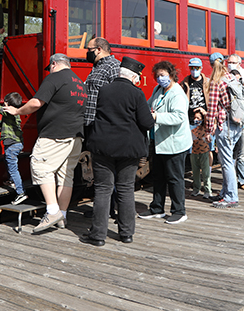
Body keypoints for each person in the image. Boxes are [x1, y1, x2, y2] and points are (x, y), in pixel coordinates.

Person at [3, 53, 87, 233]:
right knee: (66, 176)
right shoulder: (80, 83)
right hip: (76, 136)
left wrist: (17, 111)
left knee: (39, 166)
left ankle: (52, 211)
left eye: (50, 67)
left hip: (55, 134)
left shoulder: (55, 78)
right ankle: (62, 216)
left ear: (54, 64)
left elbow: (35, 103)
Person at [81, 57, 153, 246]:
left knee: (103, 189)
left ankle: (98, 236)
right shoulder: (137, 93)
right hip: (129, 150)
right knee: (126, 188)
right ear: (135, 76)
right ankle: (126, 234)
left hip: (103, 147)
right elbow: (147, 123)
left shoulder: (104, 90)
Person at [139, 61, 192, 224]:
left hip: (174, 144)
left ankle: (179, 211)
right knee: (159, 176)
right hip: (159, 142)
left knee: (175, 178)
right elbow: (149, 106)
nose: (160, 78)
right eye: (158, 76)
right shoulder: (157, 90)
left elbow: (179, 117)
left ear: (171, 75)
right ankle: (157, 208)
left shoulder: (177, 93)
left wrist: (156, 117)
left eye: (163, 75)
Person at [204, 53, 244, 209]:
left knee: (226, 162)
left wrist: (208, 130)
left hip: (225, 126)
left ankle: (231, 197)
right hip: (237, 124)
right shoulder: (231, 78)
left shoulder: (216, 82)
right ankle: (225, 191)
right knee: (229, 160)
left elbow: (212, 109)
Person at [0, 86, 27, 205]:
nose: (4, 104)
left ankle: (21, 192)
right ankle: (11, 181)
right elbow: (1, 123)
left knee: (13, 168)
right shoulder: (11, 115)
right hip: (16, 144)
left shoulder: (10, 112)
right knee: (9, 162)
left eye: (6, 103)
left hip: (13, 144)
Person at [83, 37, 121, 128]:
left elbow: (117, 97)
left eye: (89, 49)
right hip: (89, 123)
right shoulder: (97, 67)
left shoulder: (114, 66)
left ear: (99, 49)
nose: (88, 52)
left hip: (100, 125)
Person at [188, 108, 212, 198]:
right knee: (195, 172)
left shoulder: (205, 127)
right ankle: (196, 188)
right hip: (194, 152)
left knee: (206, 173)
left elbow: (208, 120)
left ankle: (207, 190)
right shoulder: (192, 129)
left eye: (198, 118)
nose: (196, 120)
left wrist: (204, 113)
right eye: (195, 118)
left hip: (204, 152)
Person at [181, 57, 209, 123]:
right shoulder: (184, 83)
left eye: (197, 68)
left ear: (201, 68)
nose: (194, 70)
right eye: (192, 68)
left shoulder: (207, 83)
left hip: (204, 120)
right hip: (189, 119)